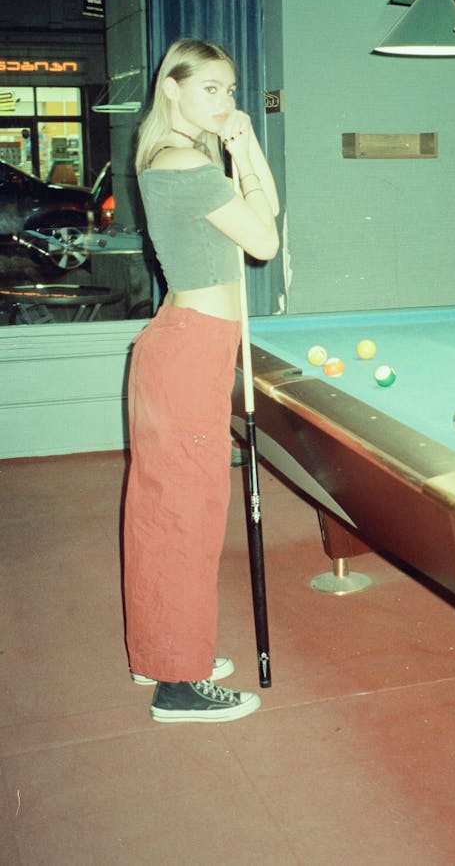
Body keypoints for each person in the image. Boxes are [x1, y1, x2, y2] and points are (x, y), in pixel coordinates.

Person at [122, 37, 279, 723]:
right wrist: (230, 152)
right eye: (211, 88)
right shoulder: (183, 158)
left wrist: (244, 144)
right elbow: (266, 244)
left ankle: (161, 650)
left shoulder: (186, 154)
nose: (226, 101)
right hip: (189, 352)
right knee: (186, 515)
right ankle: (178, 685)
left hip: (189, 348)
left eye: (231, 89)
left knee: (167, 510)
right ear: (173, 90)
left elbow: (265, 213)